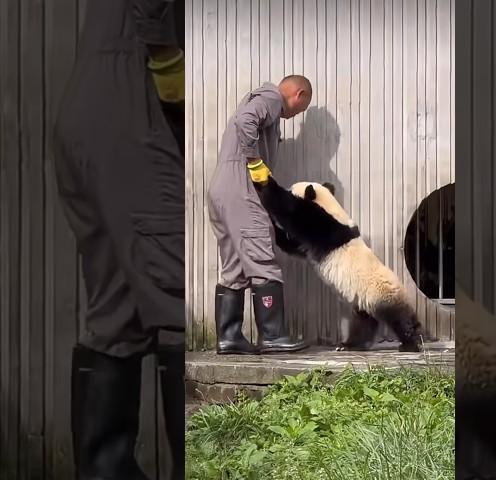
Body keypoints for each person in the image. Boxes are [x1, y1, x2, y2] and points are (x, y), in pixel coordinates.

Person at [52, 0, 185, 478]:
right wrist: (173, 78)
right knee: (181, 302)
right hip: (134, 106)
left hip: (91, 108)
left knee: (118, 311)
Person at [207, 76, 312, 354]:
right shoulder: (271, 98)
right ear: (298, 95)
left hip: (221, 190)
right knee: (263, 259)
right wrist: (254, 160)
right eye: (300, 110)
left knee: (235, 267)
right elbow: (245, 122)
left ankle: (229, 337)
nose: (294, 116)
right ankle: (273, 335)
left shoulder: (260, 99)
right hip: (241, 188)